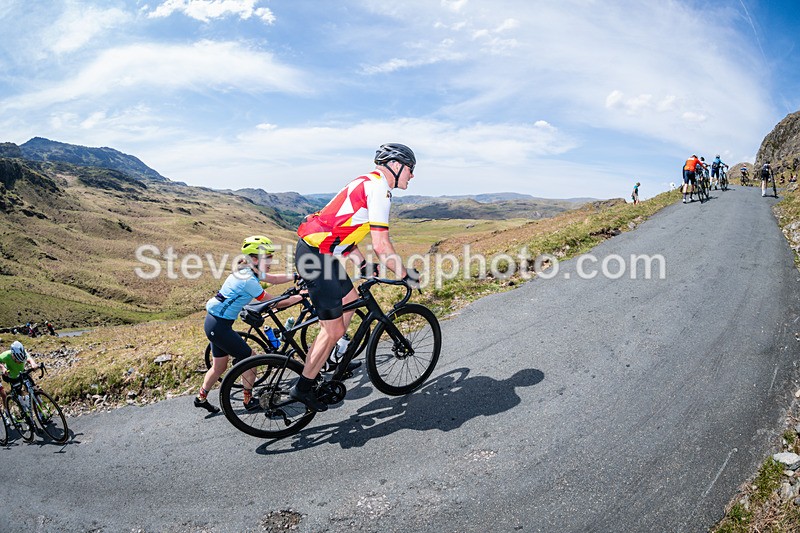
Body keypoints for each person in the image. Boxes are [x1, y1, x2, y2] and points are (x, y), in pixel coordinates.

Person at [291, 143, 421, 412]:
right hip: (316, 258)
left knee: (351, 300)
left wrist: (361, 262)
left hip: (321, 253)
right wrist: (406, 275)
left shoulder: (367, 182)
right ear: (396, 166)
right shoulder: (380, 189)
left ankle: (335, 354)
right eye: (410, 169)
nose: (412, 175)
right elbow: (382, 245)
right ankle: (303, 388)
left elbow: (342, 228)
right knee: (334, 328)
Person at [195, 235, 300, 414]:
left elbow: (273, 279)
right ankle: (248, 400)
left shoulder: (249, 271)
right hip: (219, 326)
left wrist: (295, 276)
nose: (270, 261)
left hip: (215, 323)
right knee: (250, 359)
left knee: (219, 366)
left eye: (270, 256)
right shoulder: (247, 280)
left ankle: (201, 398)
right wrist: (299, 297)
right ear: (254, 258)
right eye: (267, 257)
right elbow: (270, 302)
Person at [0, 341, 39, 422]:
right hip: (12, 377)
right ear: (13, 355)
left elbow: (29, 359)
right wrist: (3, 368)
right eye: (18, 360)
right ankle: (22, 410)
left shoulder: (23, 352)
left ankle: (41, 414)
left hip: (22, 374)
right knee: (19, 396)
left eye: (21, 361)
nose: (20, 362)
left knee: (35, 391)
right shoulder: (6, 355)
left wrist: (33, 364)